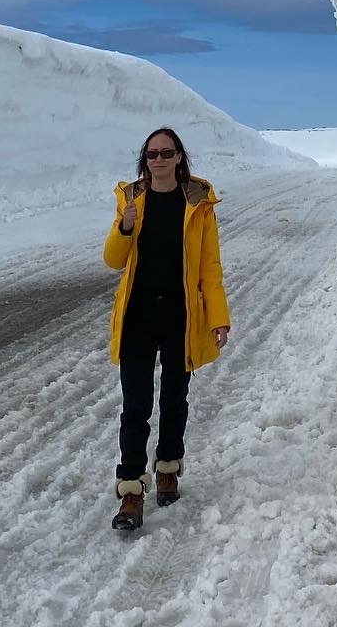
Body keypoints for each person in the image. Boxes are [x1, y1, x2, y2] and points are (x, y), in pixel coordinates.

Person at [103, 126, 230, 531]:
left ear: (179, 158)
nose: (158, 160)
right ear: (145, 160)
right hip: (138, 317)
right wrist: (123, 227)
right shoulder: (131, 201)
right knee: (135, 408)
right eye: (152, 154)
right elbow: (112, 260)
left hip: (181, 317)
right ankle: (130, 494)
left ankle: (168, 469)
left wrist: (218, 317)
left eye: (166, 153)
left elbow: (210, 267)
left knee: (175, 400)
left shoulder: (198, 204)